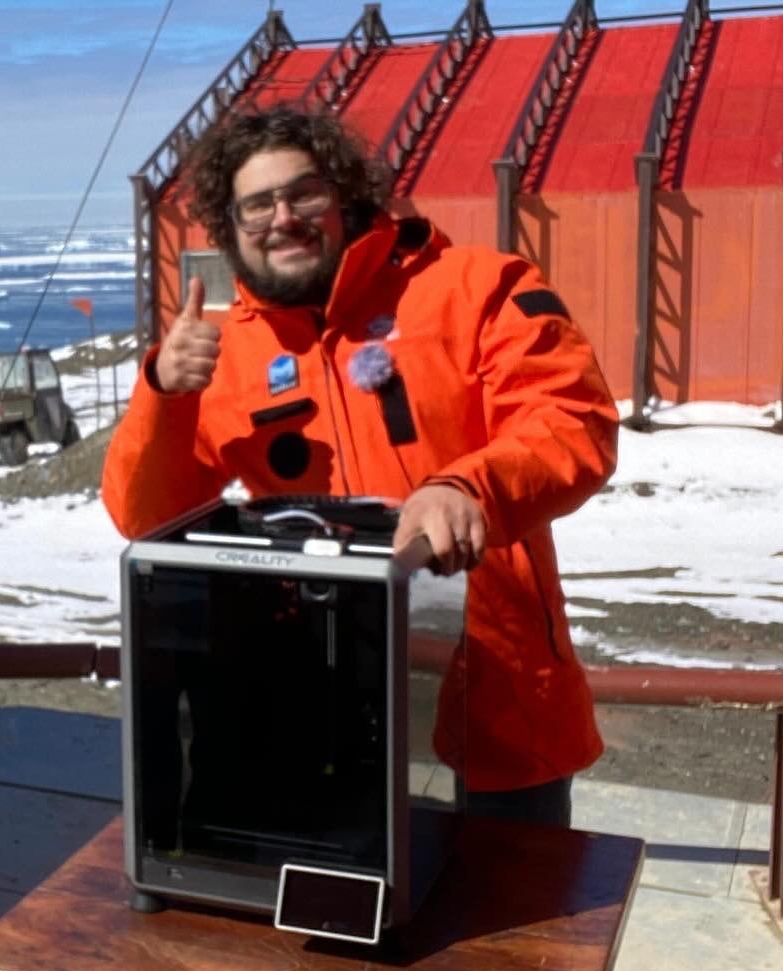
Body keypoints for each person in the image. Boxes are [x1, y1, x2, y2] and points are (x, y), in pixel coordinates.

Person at [101, 105, 619, 827]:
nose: (283, 217)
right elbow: (145, 518)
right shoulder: (226, 354)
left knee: (508, 933)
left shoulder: (477, 287)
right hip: (319, 723)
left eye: (303, 192)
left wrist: (468, 486)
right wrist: (163, 395)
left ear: (343, 194)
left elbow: (573, 422)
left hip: (495, 709)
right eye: (256, 205)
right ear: (230, 228)